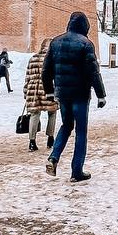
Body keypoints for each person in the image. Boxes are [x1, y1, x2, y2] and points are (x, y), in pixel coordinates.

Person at [42, 11, 106, 182]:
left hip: (62, 95)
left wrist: (49, 91)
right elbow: (93, 72)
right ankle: (76, 171)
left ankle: (53, 157)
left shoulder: (56, 42)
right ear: (85, 26)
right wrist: (101, 95)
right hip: (80, 95)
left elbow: (46, 70)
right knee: (81, 131)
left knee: (66, 125)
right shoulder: (86, 44)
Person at [23, 37, 58, 152]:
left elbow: (27, 77)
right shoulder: (52, 59)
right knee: (52, 113)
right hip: (47, 89)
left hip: (33, 90)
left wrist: (25, 92)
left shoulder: (32, 58)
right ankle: (50, 138)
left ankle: (32, 141)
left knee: (34, 114)